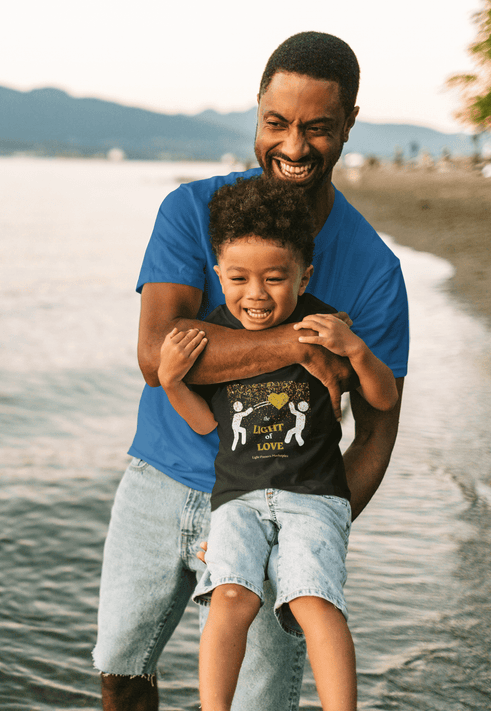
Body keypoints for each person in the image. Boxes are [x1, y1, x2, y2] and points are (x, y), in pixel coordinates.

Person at [93, 31, 409, 711]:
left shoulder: (374, 270)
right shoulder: (190, 212)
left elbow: (378, 429)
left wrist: (318, 520)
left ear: (350, 123)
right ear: (257, 111)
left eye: (318, 128)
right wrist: (297, 344)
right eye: (276, 123)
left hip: (285, 501)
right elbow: (157, 356)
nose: (293, 147)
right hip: (159, 479)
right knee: (122, 670)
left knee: (259, 701)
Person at [157, 176, 398, 711]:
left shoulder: (322, 326)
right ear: (218, 275)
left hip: (313, 495)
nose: (256, 294)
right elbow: (204, 425)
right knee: (231, 598)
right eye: (238, 278)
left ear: (303, 274)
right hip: (238, 500)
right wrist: (173, 381)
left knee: (315, 600)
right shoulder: (213, 334)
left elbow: (381, 399)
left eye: (275, 278)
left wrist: (355, 349)